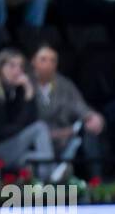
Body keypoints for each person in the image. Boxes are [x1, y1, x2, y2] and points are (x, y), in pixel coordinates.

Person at [0, 47, 60, 177]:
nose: (17, 71)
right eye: (12, 66)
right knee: (40, 128)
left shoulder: (16, 90)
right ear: (0, 68)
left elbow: (31, 119)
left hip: (11, 147)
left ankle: (51, 175)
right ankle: (51, 178)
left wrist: (28, 94)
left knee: (33, 158)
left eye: (20, 66)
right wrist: (22, 128)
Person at [31, 44, 107, 173]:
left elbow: (80, 106)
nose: (48, 64)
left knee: (89, 130)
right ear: (33, 62)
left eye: (52, 60)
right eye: (43, 59)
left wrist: (92, 117)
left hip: (65, 138)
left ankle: (96, 181)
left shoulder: (64, 85)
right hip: (36, 139)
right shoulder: (25, 85)